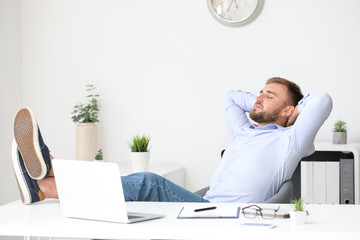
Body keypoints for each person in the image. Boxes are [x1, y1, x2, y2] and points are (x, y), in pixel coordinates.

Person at [11, 77, 333, 205]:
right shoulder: (243, 131)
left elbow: (323, 101)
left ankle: (50, 181)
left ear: (290, 109)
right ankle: (51, 177)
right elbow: (231, 97)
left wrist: (293, 113)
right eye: (260, 91)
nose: (259, 97)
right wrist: (262, 102)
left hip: (225, 219)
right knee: (136, 195)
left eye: (269, 94)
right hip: (204, 207)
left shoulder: (291, 140)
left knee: (149, 182)